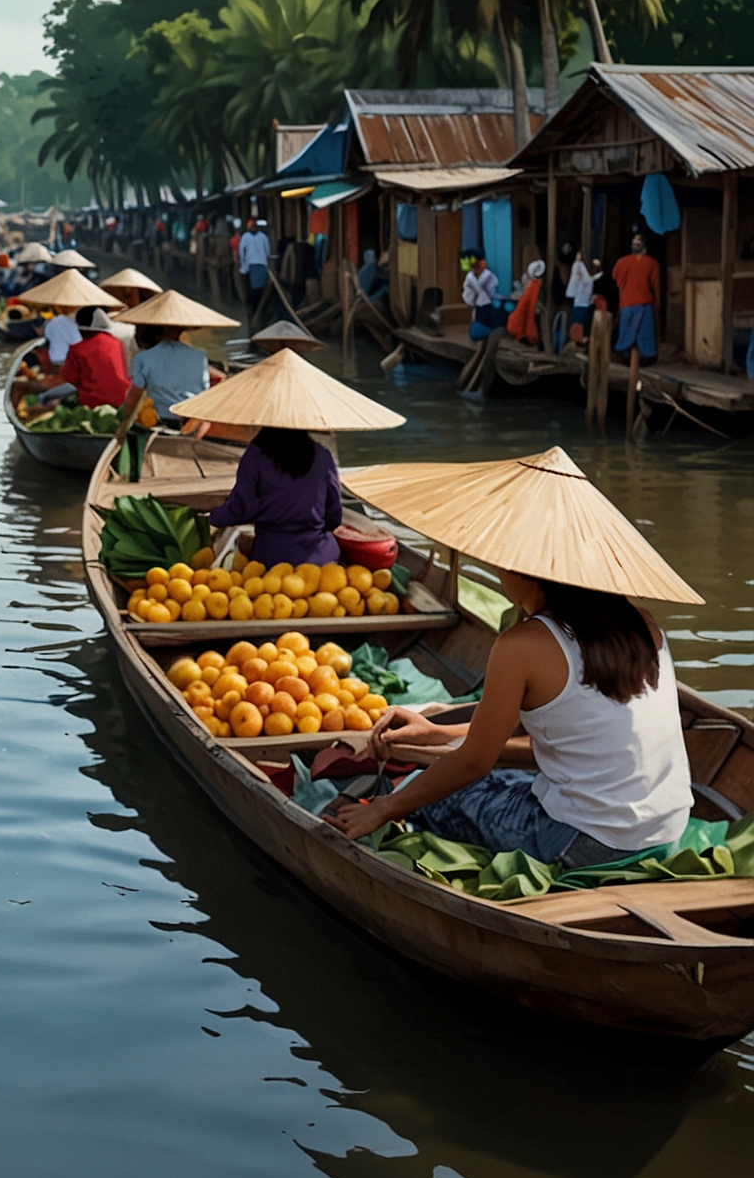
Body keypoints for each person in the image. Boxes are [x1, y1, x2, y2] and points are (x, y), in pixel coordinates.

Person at [327, 574, 690, 868]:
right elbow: (561, 724)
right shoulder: (641, 621)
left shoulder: (522, 644)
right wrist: (436, 733)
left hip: (585, 842)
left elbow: (474, 763)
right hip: (667, 828)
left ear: (528, 575)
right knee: (501, 780)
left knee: (427, 794)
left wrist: (384, 809)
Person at [207, 427, 341, 566]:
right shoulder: (322, 455)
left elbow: (241, 510)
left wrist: (212, 517)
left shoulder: (255, 455)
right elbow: (334, 516)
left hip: (272, 559)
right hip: (323, 559)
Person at [120, 324, 210, 426]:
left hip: (163, 421)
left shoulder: (142, 358)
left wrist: (123, 423)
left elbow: (133, 397)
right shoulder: (199, 355)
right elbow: (204, 392)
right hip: (193, 421)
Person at [51, 306, 130, 407]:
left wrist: (33, 386)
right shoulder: (116, 342)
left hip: (93, 403)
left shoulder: (78, 349)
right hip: (123, 399)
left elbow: (66, 380)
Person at [613, 233, 661, 363]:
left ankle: (637, 357)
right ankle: (632, 356)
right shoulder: (624, 262)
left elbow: (655, 285)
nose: (637, 243)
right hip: (631, 302)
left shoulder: (650, 263)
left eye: (639, 240)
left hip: (640, 303)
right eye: (635, 240)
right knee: (637, 334)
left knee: (637, 333)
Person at [462, 254, 504, 335]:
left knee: (487, 321)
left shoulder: (488, 275)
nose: (476, 270)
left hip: (487, 302)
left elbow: (493, 288)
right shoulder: (470, 277)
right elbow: (467, 290)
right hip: (477, 302)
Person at [506, 259, 545, 345]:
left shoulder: (531, 286)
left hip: (517, 326)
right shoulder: (534, 287)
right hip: (522, 330)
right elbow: (530, 312)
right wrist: (532, 335)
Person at [237, 218, 271, 317]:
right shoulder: (250, 237)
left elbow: (241, 252)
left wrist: (243, 266)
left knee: (256, 290)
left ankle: (256, 311)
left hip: (258, 265)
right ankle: (256, 311)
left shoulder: (253, 237)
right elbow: (267, 251)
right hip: (254, 265)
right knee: (257, 290)